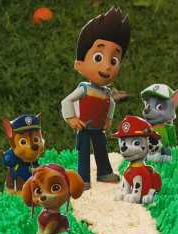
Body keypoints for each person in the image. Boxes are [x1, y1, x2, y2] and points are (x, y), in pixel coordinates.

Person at [61, 7, 130, 190]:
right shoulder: (83, 88)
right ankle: (83, 178)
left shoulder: (107, 92)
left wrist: (108, 120)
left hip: (99, 128)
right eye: (98, 57)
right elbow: (66, 101)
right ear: (79, 64)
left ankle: (104, 172)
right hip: (84, 127)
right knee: (83, 152)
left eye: (114, 61)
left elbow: (111, 104)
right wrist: (71, 118)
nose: (107, 66)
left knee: (101, 149)